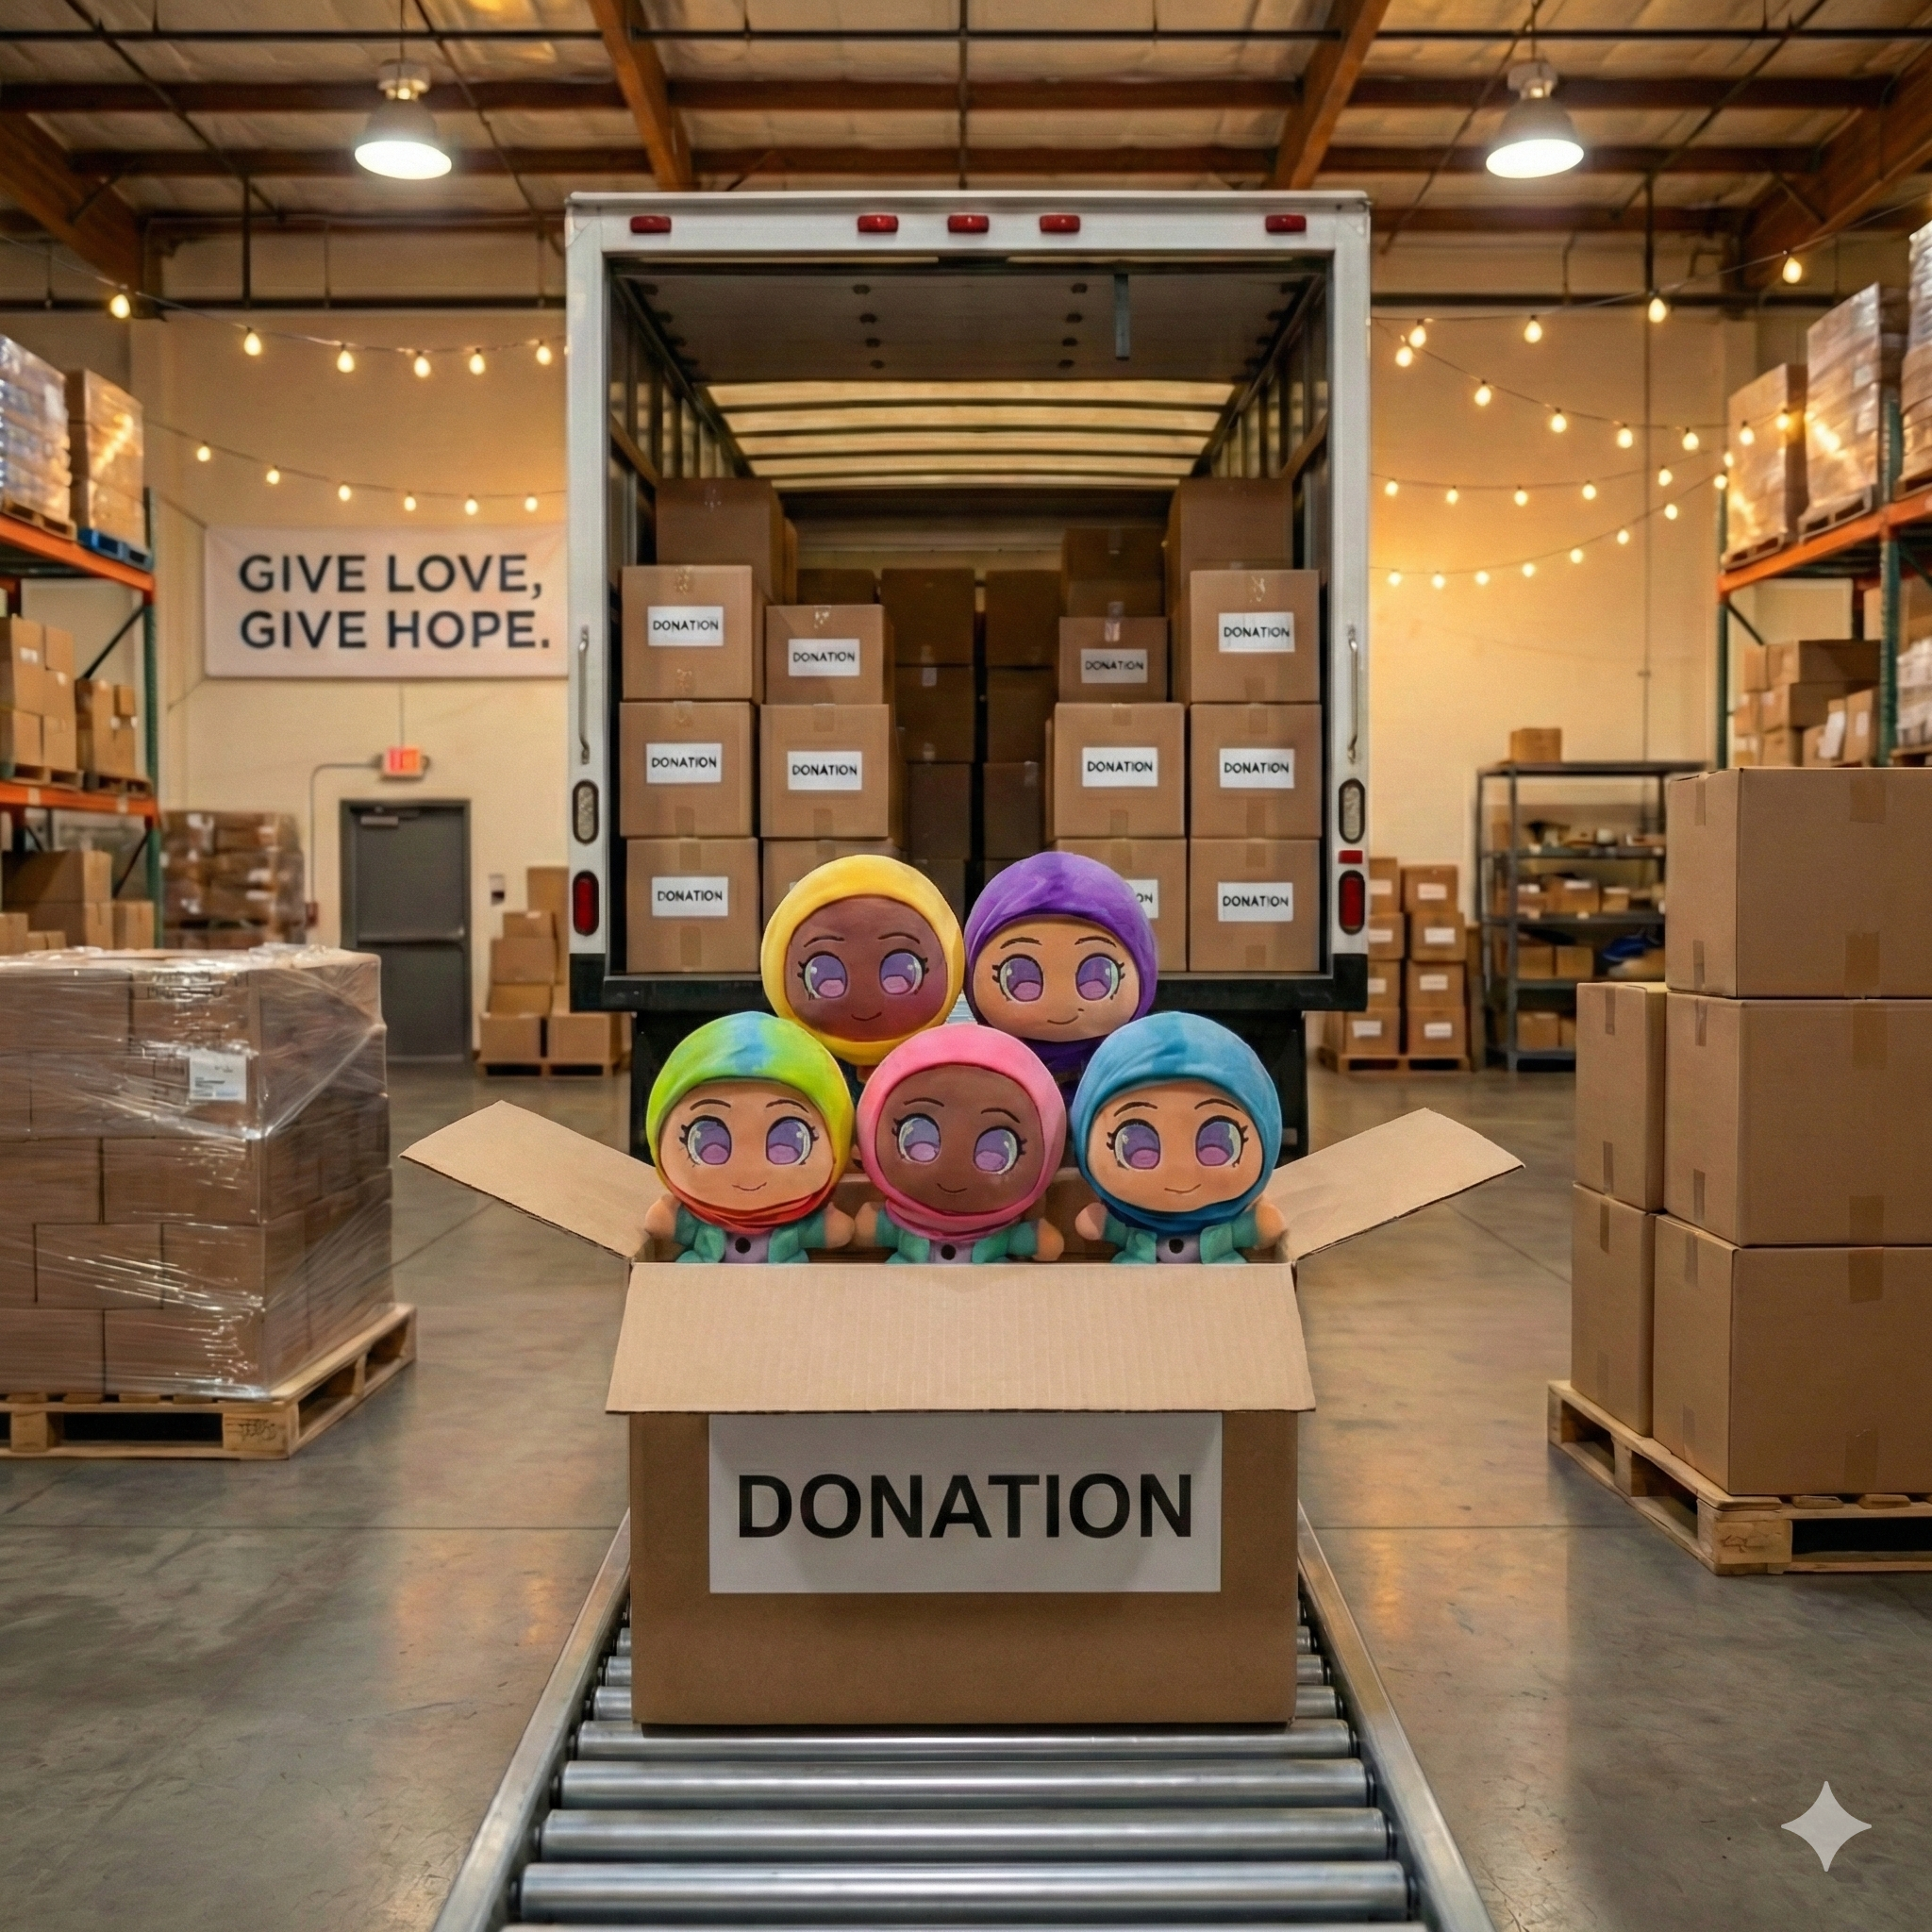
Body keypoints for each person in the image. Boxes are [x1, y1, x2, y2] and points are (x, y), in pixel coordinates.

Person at [1070, 1011, 1286, 1264]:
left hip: (1223, 1285)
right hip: (1133, 1287)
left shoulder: (1229, 1229)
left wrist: (1255, 1226)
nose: (1180, 1170)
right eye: (1138, 1150)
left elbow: (1263, 1228)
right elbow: (1099, 1226)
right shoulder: (1127, 1226)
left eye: (1218, 1146)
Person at [641, 1012, 856, 1262]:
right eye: (709, 1146)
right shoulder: (695, 1224)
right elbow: (661, 1223)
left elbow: (839, 1232)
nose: (749, 1174)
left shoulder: (797, 1228)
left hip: (784, 1292)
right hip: (702, 1289)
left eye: (788, 1145)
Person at [853, 1024, 1066, 1264]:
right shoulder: (897, 1226)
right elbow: (865, 1230)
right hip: (906, 1292)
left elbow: (1044, 1244)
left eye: (996, 1153)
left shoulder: (1005, 1236)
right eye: (918, 1142)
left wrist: (1035, 1237)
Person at [760, 854, 966, 1088]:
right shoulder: (789, 1070)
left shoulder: (946, 1068)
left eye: (902, 973)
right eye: (823, 975)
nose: (866, 1006)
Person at [962, 851, 1157, 1093]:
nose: (1061, 1003)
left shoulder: (1141, 1070)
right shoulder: (975, 1072)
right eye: (1022, 978)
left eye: (1097, 977)